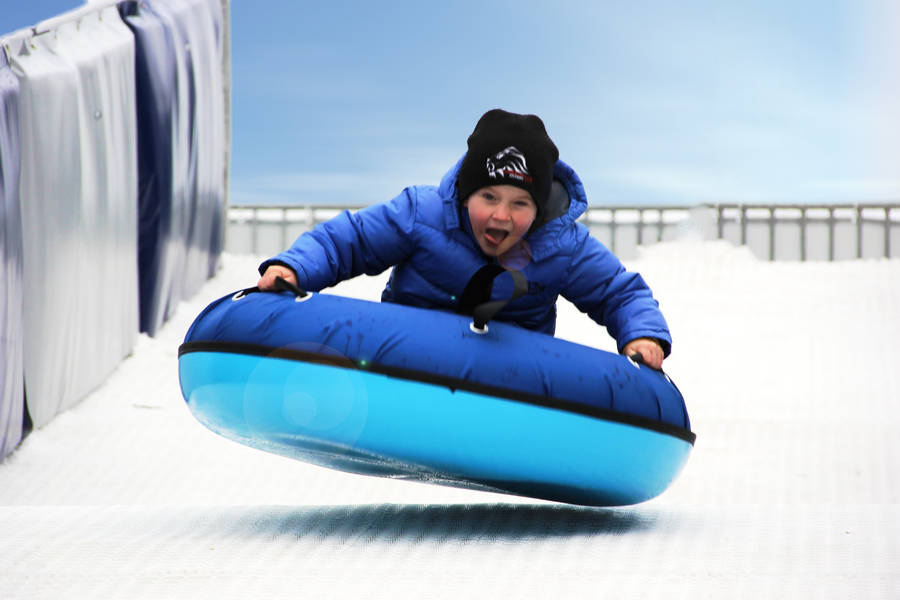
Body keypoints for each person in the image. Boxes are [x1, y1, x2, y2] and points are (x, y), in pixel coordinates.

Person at [257, 109, 670, 369]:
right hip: (409, 357)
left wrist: (642, 336)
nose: (501, 215)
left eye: (520, 204)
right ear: (465, 194)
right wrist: (293, 269)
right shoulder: (423, 214)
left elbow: (619, 292)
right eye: (488, 197)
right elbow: (348, 240)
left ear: (540, 210)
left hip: (504, 374)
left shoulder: (562, 246)